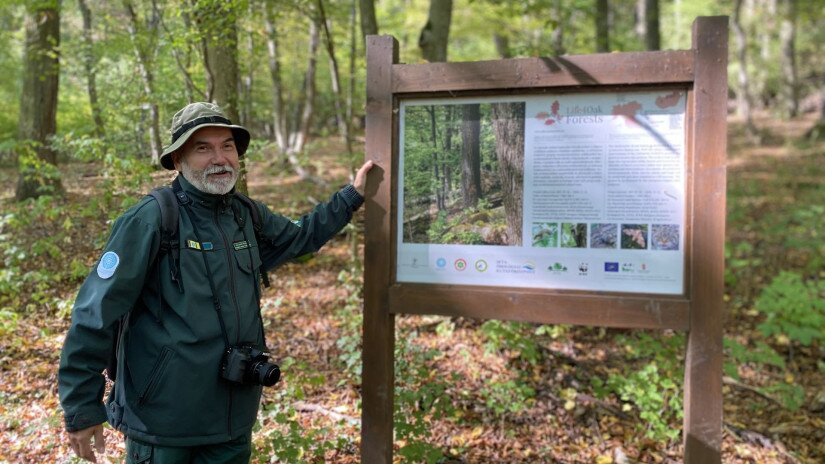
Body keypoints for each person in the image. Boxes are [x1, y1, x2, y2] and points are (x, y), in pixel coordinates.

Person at [58, 101, 373, 463]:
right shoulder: (151, 220)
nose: (220, 158)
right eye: (203, 148)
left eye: (227, 146)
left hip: (232, 416)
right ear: (177, 160)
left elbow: (299, 238)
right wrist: (82, 406)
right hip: (164, 423)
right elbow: (96, 312)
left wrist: (351, 196)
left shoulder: (245, 215)